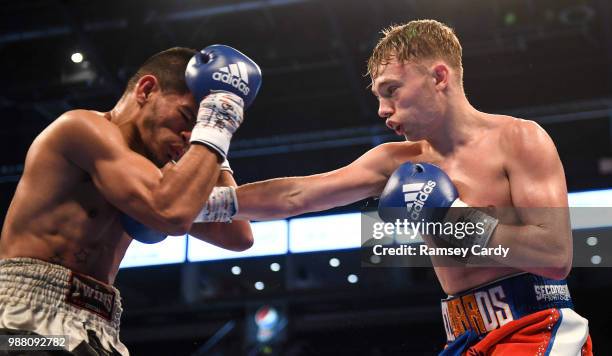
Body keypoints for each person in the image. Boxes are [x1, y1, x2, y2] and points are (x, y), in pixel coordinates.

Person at [203, 20, 593, 355]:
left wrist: (452, 218)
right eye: (379, 96)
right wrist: (205, 205)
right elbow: (299, 194)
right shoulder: (395, 161)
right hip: (464, 336)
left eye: (392, 90)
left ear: (439, 77)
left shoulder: (519, 139)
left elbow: (555, 255)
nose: (382, 110)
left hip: (536, 328)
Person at [0, 45, 260, 355]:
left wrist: (216, 134)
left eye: (198, 128)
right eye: (186, 116)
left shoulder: (158, 179)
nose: (191, 137)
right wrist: (215, 125)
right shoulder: (82, 128)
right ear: (147, 89)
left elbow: (237, 235)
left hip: (100, 329)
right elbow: (171, 212)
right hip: (23, 325)